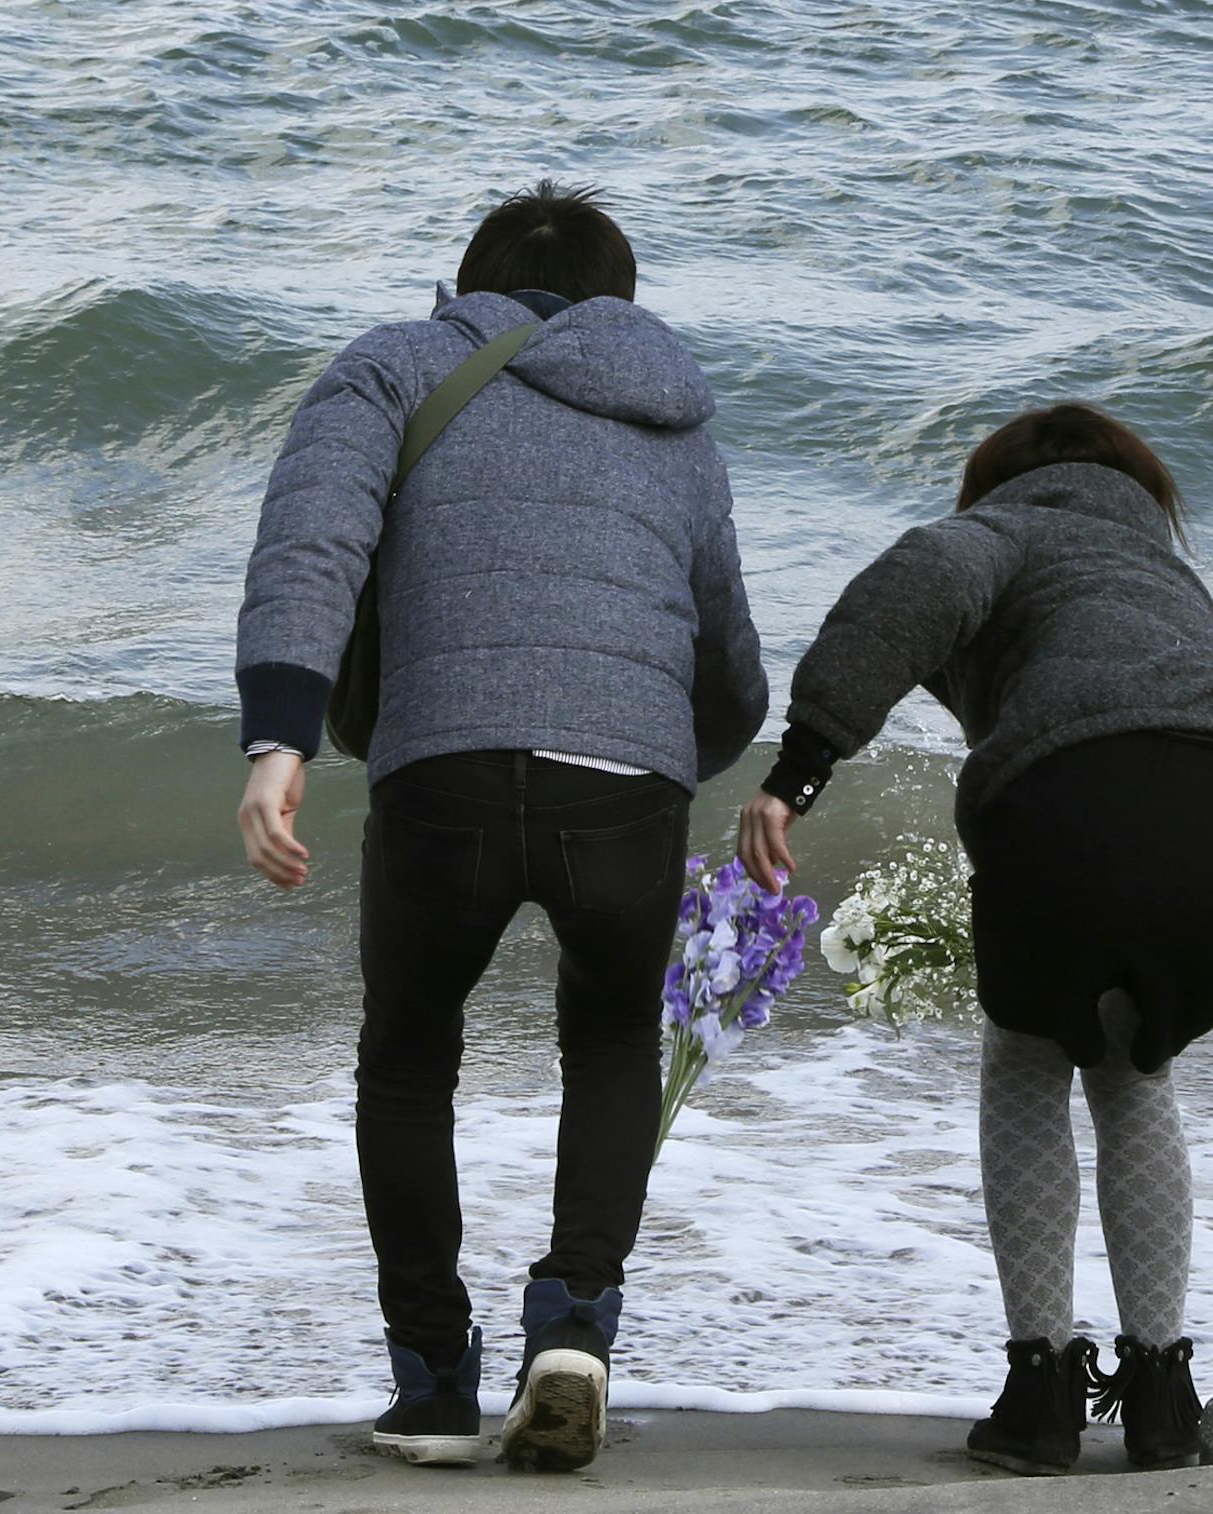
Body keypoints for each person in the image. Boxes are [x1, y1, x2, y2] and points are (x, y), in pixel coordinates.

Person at [235, 181, 766, 1472]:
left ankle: (429, 1382)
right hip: (625, 780)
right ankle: (576, 1322)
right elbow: (730, 657)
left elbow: (313, 543)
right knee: (608, 1036)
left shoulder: (392, 367)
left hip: (446, 773)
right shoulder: (675, 408)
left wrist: (281, 739)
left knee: (410, 1058)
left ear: (469, 287)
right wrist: (671, 760)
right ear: (619, 300)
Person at [738, 403, 1213, 1474]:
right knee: (1136, 1065)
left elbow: (913, 586)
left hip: (1078, 807)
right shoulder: (1163, 574)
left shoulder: (1008, 529)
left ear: (997, 483)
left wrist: (800, 770)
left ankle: (1042, 1388)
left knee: (1026, 1060)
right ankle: (1162, 1394)